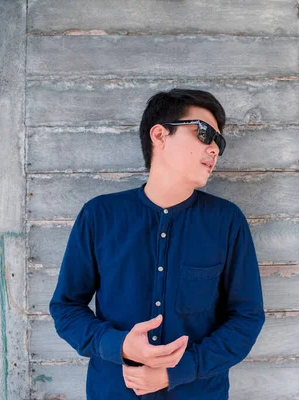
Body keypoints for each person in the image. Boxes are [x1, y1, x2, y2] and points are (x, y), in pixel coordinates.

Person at [50, 89, 265, 399]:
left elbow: (247, 317)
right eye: (204, 134)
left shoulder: (226, 221)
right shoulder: (100, 216)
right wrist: (118, 344)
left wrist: (178, 370)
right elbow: (66, 307)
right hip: (114, 391)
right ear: (160, 134)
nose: (214, 149)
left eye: (219, 142)